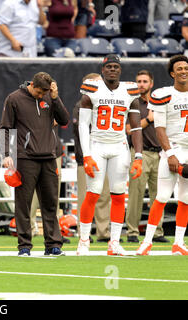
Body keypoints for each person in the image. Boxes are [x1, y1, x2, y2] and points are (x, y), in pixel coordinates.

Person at [77, 54, 144, 256]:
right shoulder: (92, 89)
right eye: (109, 67)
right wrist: (86, 155)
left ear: (120, 70)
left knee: (118, 195)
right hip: (97, 145)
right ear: (103, 70)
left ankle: (114, 242)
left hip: (119, 147)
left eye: (116, 66)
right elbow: (82, 124)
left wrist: (138, 156)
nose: (113, 69)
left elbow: (136, 127)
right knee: (93, 193)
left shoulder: (129, 91)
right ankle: (84, 240)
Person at [0, 72, 70, 256]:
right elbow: (5, 128)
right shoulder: (14, 98)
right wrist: (6, 154)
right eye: (39, 92)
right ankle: (24, 246)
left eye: (44, 93)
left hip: (48, 157)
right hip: (25, 158)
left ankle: (54, 245)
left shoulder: (50, 96)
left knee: (50, 203)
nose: (41, 96)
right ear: (32, 85)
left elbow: (64, 120)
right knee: (23, 204)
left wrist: (55, 98)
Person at [137, 55, 188, 256]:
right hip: (172, 148)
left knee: (185, 198)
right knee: (162, 196)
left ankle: (178, 243)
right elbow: (159, 129)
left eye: (186, 67)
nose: (184, 71)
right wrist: (170, 154)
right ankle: (147, 242)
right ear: (172, 74)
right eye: (180, 69)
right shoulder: (163, 94)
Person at [125, 70, 168, 244]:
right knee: (136, 193)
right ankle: (132, 231)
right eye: (139, 81)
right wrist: (149, 119)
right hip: (140, 153)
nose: (141, 84)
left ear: (151, 84)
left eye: (144, 81)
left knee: (160, 195)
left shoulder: (160, 104)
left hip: (160, 153)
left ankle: (157, 232)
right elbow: (129, 129)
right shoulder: (133, 103)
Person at [73, 73, 112, 242]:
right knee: (86, 196)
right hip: (86, 158)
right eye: (94, 83)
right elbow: (81, 132)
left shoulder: (107, 104)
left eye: (100, 83)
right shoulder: (80, 105)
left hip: (105, 157)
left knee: (104, 196)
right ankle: (84, 233)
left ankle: (104, 232)